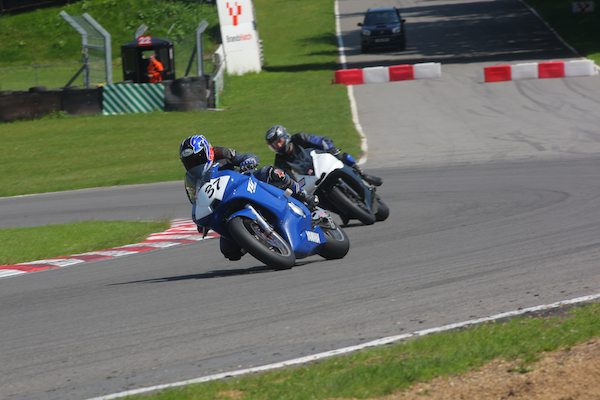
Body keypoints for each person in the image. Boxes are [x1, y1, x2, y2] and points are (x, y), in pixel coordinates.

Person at [179, 134, 319, 261]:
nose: (194, 163)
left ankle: (304, 196)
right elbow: (196, 198)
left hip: (243, 183)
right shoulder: (193, 179)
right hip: (224, 204)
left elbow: (245, 157)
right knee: (229, 252)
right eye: (188, 161)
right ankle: (258, 241)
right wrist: (201, 217)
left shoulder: (222, 153)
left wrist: (248, 160)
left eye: (197, 158)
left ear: (207, 152)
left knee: (271, 172)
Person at [264, 125, 383, 186]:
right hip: (309, 178)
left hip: (322, 162)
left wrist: (330, 149)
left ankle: (363, 175)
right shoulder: (279, 161)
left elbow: (320, 141)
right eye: (274, 145)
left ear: (285, 137)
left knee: (343, 157)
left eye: (279, 141)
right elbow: (286, 178)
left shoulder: (300, 138)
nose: (278, 146)